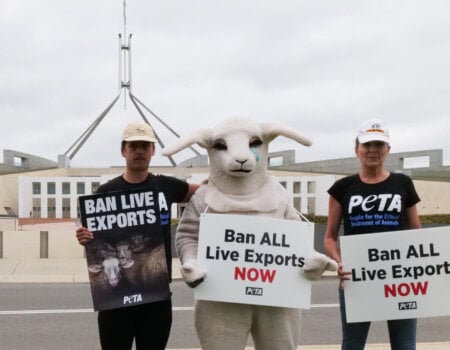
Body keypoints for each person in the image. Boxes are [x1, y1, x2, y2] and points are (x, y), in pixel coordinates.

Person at [76, 120, 199, 350]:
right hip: (116, 301)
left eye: (145, 145)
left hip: (156, 297)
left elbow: (204, 192)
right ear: (124, 150)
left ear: (153, 150)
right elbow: (92, 236)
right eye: (134, 146)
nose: (139, 151)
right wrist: (84, 237)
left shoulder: (166, 186)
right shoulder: (106, 192)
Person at [324, 118, 422, 350]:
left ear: (388, 149)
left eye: (379, 144)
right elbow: (329, 237)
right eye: (367, 144)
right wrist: (338, 262)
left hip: (400, 277)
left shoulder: (403, 183)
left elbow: (416, 233)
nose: (372, 150)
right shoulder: (343, 187)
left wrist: (421, 266)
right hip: (356, 279)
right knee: (353, 345)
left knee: (405, 344)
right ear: (357, 149)